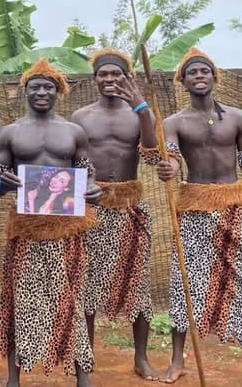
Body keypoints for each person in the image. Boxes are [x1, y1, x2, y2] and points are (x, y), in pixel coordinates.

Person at [154, 48, 242, 387]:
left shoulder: (238, 118)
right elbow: (175, 158)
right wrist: (170, 167)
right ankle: (177, 361)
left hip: (235, 209)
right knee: (185, 283)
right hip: (193, 209)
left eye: (204, 71)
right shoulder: (174, 123)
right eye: (192, 72)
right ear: (182, 80)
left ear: (213, 77)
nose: (198, 76)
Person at [0, 58, 101, 387]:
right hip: (26, 230)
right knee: (19, 300)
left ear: (58, 91)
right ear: (25, 92)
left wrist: (94, 192)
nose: (41, 92)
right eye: (35, 87)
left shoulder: (74, 132)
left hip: (67, 232)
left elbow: (88, 177)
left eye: (48, 86)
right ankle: (13, 377)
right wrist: (5, 182)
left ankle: (82, 375)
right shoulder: (10, 133)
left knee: (70, 299)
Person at [70, 48, 158, 380]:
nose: (109, 79)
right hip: (91, 206)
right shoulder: (81, 117)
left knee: (139, 285)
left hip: (130, 207)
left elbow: (151, 155)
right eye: (103, 75)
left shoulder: (138, 114)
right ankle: (85, 363)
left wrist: (143, 107)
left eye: (115, 74)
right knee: (87, 285)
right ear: (95, 80)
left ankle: (141, 358)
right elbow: (71, 161)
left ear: (126, 77)